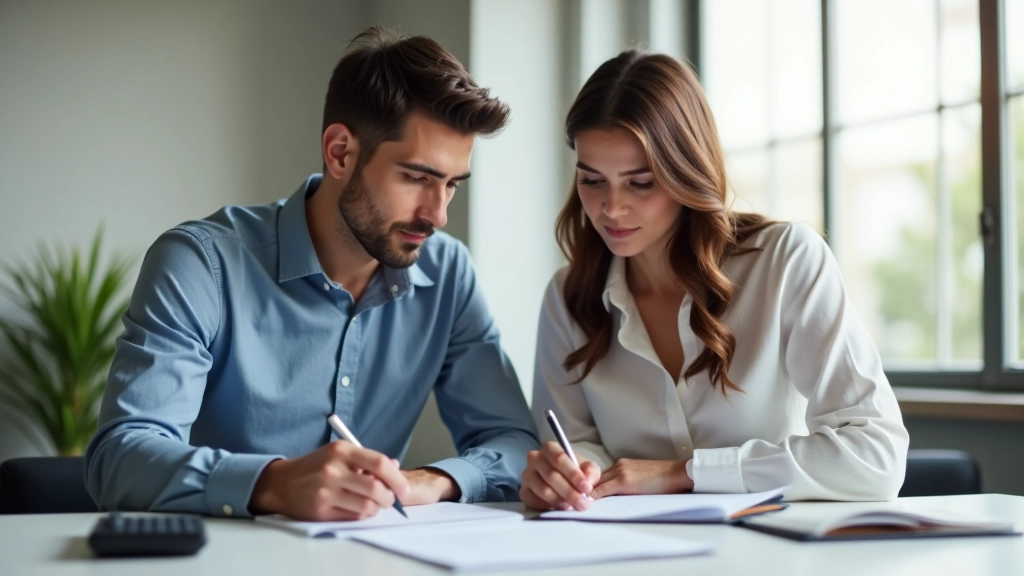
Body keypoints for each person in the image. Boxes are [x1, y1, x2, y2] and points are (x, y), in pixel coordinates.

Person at [85, 26, 538, 521]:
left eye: (452, 184)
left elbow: (515, 444)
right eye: (416, 178)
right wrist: (273, 483)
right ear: (340, 152)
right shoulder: (199, 264)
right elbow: (121, 458)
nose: (438, 214)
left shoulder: (448, 273)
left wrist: (433, 480)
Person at [520, 50, 908, 512]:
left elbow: (877, 456)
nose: (611, 209)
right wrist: (569, 474)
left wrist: (684, 474)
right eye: (592, 180)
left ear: (687, 170)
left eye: (640, 183)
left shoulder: (785, 261)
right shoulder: (568, 298)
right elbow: (580, 445)